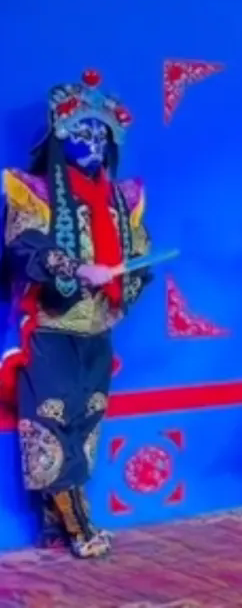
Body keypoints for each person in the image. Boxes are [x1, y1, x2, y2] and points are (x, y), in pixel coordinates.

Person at [0, 69, 151, 557]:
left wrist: (126, 275)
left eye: (100, 135)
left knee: (87, 420)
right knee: (50, 420)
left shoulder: (123, 200)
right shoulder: (33, 192)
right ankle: (79, 523)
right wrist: (76, 268)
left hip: (98, 327)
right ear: (59, 136)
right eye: (81, 132)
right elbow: (23, 247)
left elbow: (140, 256)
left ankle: (55, 520)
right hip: (50, 328)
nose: (92, 142)